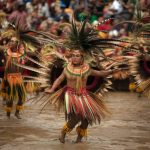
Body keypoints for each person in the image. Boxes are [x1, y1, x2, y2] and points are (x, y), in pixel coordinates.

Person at [45, 49, 120, 143]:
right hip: (70, 95)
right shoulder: (67, 68)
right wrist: (52, 89)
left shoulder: (87, 69)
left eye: (77, 56)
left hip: (83, 95)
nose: (74, 58)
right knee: (77, 116)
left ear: (82, 58)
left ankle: (78, 140)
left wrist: (111, 72)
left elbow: (100, 74)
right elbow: (59, 79)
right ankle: (63, 132)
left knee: (87, 119)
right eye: (73, 55)